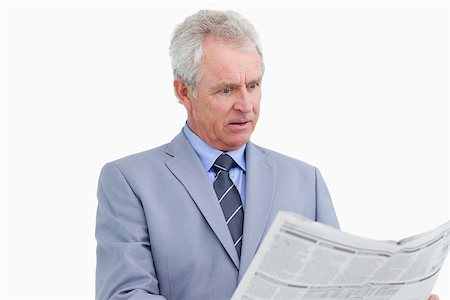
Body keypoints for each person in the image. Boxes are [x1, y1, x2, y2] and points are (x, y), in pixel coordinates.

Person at [95, 10, 440, 300]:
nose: (245, 105)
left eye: (254, 85)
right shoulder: (130, 181)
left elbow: (337, 290)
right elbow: (125, 295)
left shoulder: (307, 181)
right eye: (226, 89)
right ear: (184, 91)